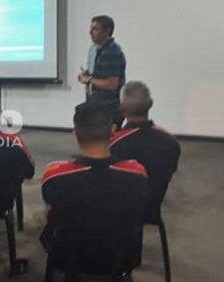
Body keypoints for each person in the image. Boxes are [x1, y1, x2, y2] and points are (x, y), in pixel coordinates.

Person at [40, 102, 148, 264]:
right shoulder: (136, 173)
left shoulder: (54, 174)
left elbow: (51, 213)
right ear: (112, 131)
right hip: (120, 255)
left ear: (75, 134)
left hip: (66, 255)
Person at [110, 81, 181, 223]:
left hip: (118, 210)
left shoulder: (114, 144)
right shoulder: (171, 142)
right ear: (151, 104)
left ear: (122, 108)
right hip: (151, 210)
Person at [77, 15, 126, 128]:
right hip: (96, 106)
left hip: (109, 109)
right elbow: (96, 73)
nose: (90, 32)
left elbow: (112, 84)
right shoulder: (94, 50)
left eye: (95, 29)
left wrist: (89, 79)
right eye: (91, 29)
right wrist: (87, 74)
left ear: (107, 31)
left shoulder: (112, 52)